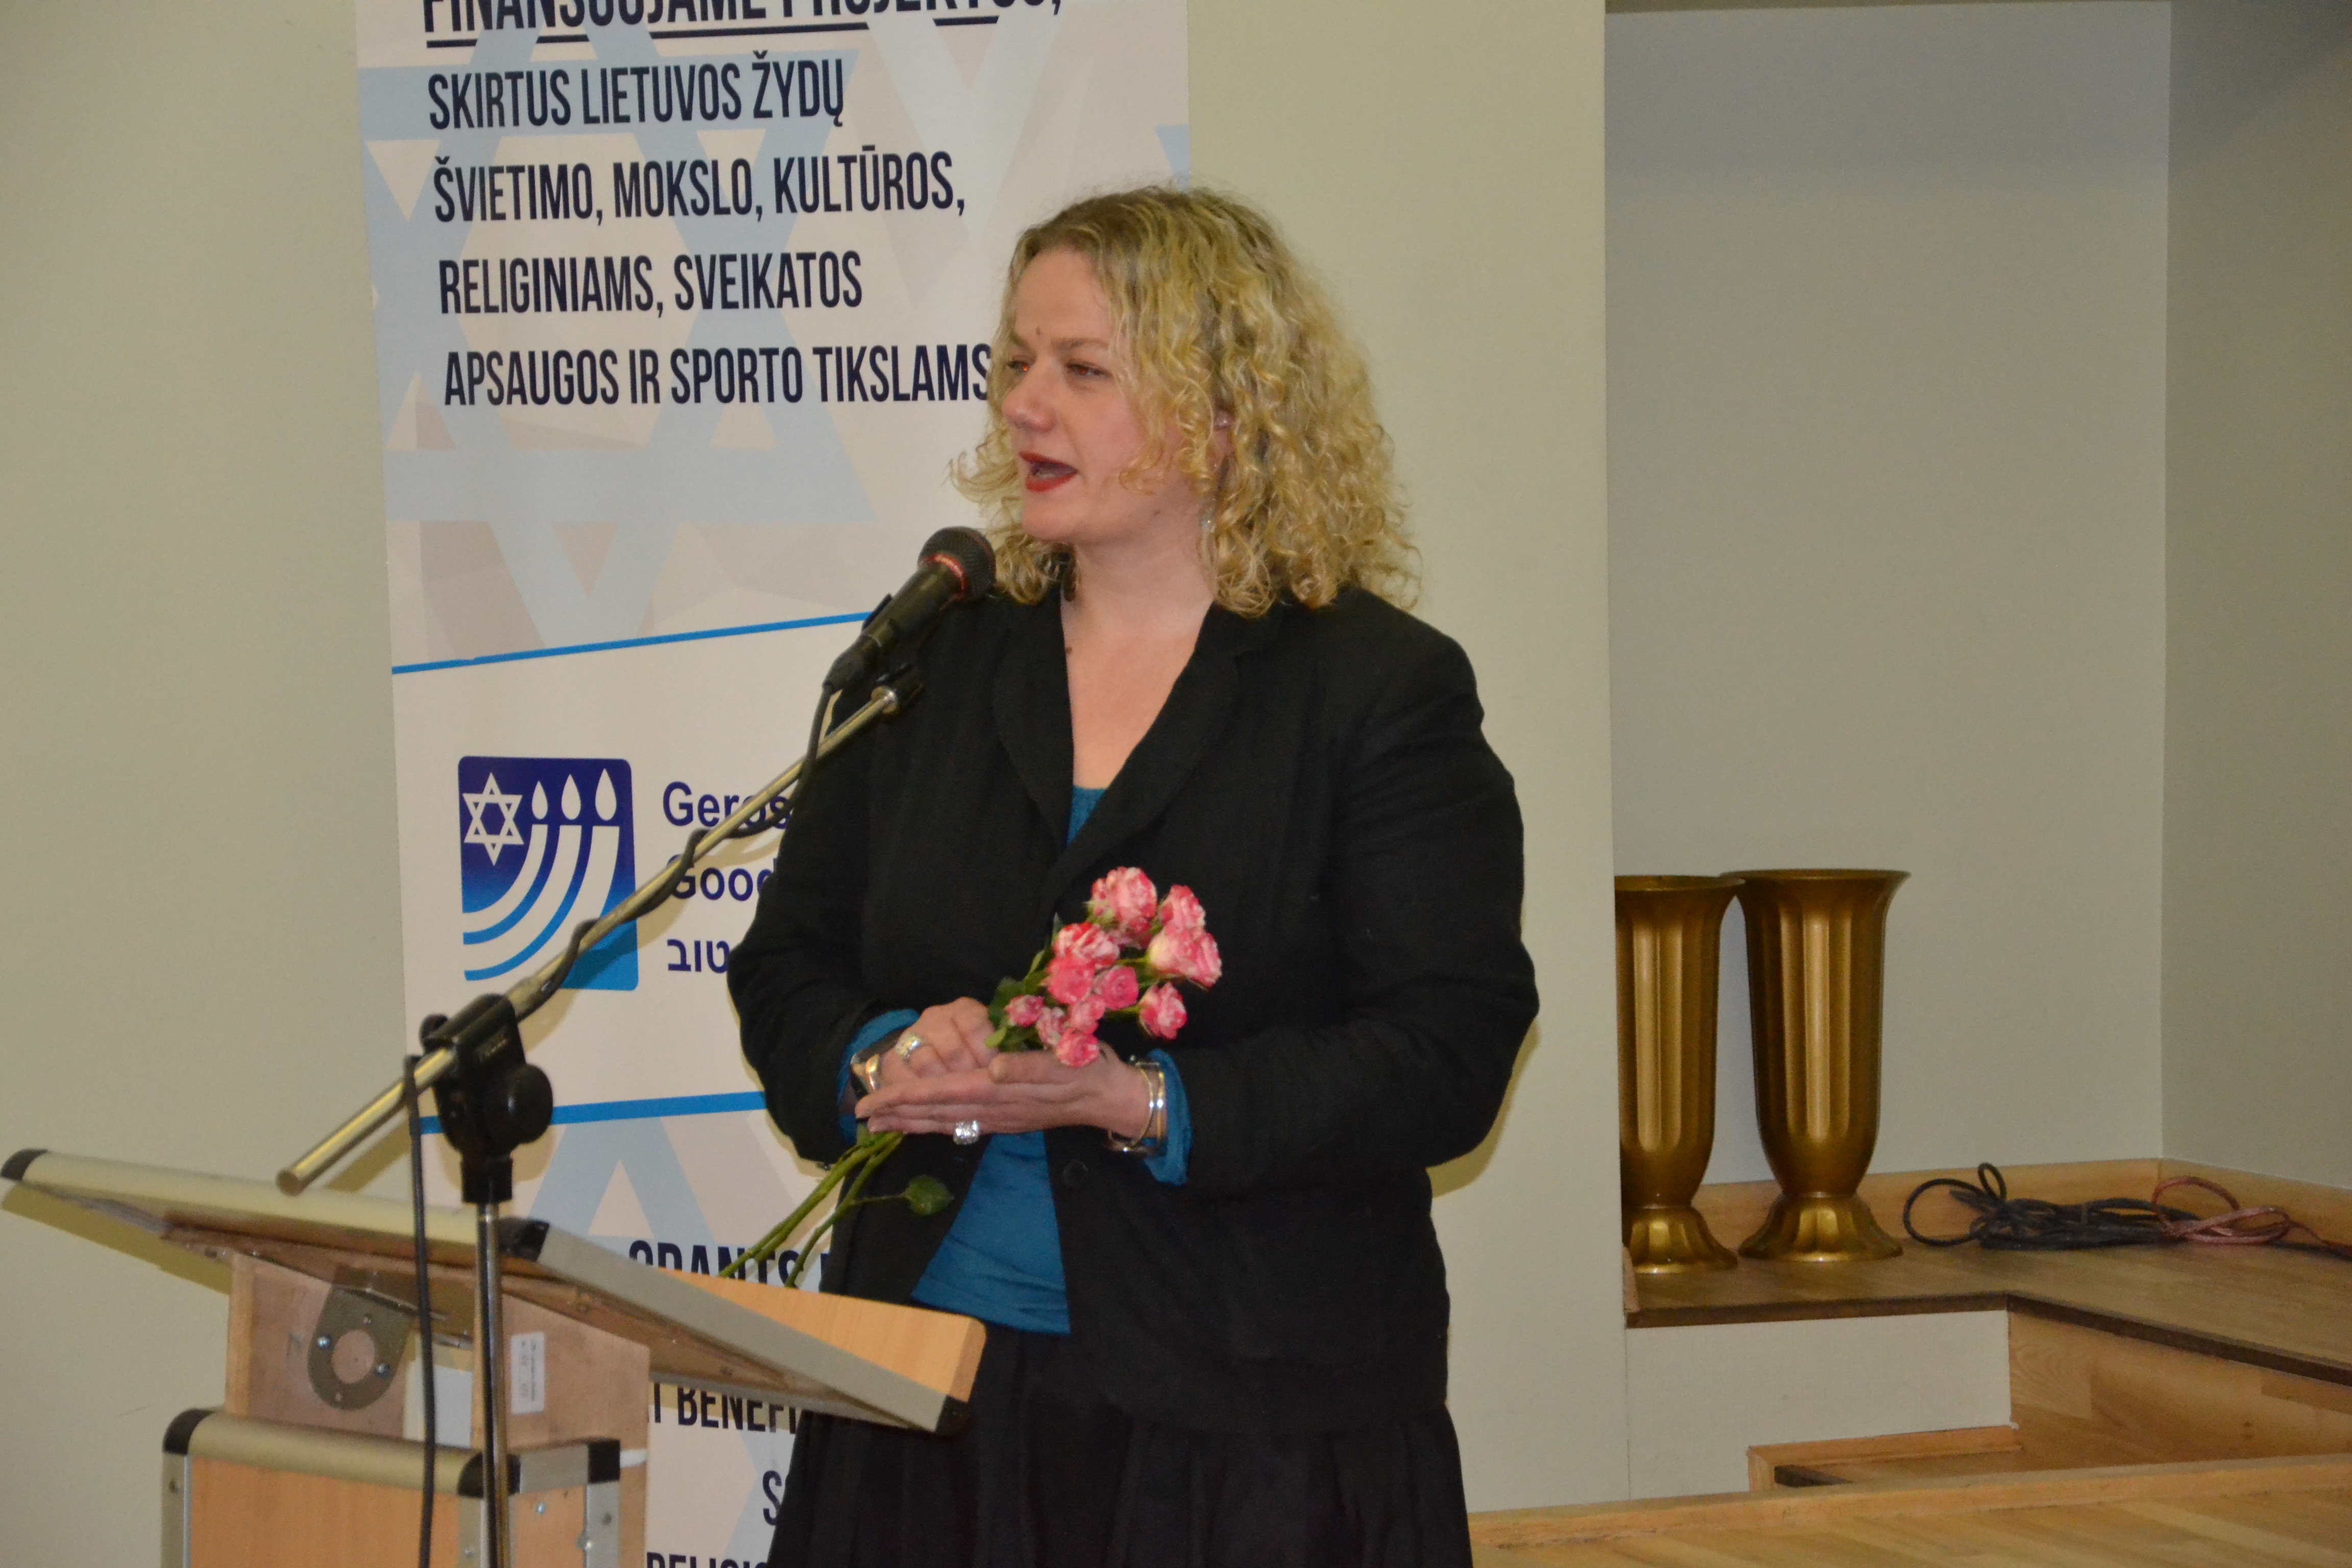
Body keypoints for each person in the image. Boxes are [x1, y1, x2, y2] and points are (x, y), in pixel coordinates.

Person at [730, 185, 1537, 1568]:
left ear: (1226, 415)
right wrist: (883, 1057)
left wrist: (1144, 1102)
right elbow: (787, 965)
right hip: (924, 1402)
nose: (1024, 407)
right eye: (1015, 364)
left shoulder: (1373, 691)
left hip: (1248, 1431)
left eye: (1083, 370)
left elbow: (1446, 1049)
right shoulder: (930, 665)